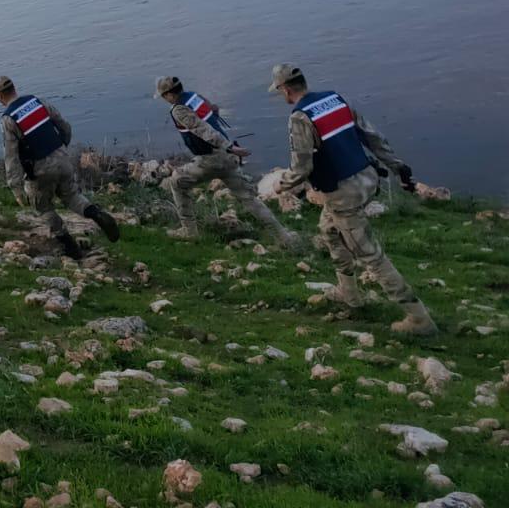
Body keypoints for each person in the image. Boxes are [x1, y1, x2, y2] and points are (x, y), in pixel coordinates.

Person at [268, 63, 436, 336]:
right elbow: (373, 137)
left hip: (343, 194)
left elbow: (302, 167)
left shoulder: (299, 118)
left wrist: (280, 185)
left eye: (280, 92)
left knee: (371, 256)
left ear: (285, 90)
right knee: (328, 230)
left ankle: (419, 319)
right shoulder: (334, 99)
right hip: (367, 179)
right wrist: (397, 167)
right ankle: (349, 293)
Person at [155, 76, 299, 247]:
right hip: (227, 158)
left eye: (164, 96)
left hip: (210, 159)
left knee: (177, 182)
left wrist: (229, 146)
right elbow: (213, 109)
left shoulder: (178, 110)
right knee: (249, 199)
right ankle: (283, 237)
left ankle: (189, 231)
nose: (165, 100)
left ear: (169, 95)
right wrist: (228, 146)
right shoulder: (195, 96)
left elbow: (202, 129)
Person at [0, 75, 120, 260]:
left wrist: (16, 187)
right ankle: (97, 213)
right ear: (14, 88)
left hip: (39, 168)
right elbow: (64, 125)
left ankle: (68, 245)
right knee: (72, 196)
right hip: (61, 157)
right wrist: (63, 146)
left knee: (43, 207)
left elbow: (11, 156)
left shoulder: (8, 119)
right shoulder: (37, 102)